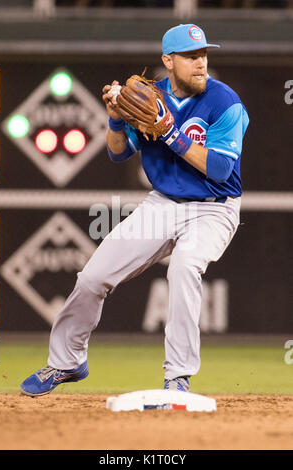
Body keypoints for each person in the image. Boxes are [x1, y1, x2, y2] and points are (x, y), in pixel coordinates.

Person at [20, 23, 249, 396]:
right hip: (162, 204)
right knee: (93, 277)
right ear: (168, 61)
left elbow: (221, 169)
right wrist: (115, 117)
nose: (201, 63)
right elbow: (116, 152)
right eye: (191, 56)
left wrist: (171, 134)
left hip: (214, 207)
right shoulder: (146, 97)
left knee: (185, 266)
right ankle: (66, 361)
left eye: (204, 54)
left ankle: (178, 376)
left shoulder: (226, 102)